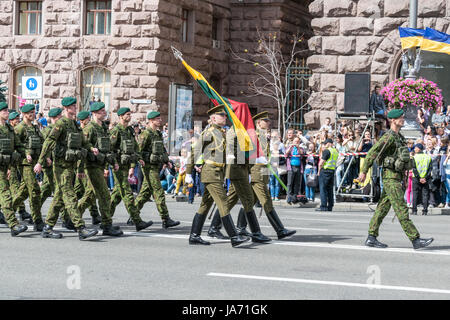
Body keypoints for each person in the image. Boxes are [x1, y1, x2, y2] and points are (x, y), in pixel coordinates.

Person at [358, 108, 434, 249]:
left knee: (382, 209)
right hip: (390, 178)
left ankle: (371, 237)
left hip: (396, 177)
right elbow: (372, 153)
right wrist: (363, 172)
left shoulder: (399, 137)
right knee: (401, 208)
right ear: (393, 120)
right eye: (401, 118)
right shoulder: (388, 137)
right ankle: (415, 239)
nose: (403, 119)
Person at [34, 97, 99, 240]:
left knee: (59, 197)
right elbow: (49, 142)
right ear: (66, 108)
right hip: (61, 167)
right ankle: (81, 228)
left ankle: (47, 227)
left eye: (76, 106)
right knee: (70, 195)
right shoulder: (61, 124)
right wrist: (40, 161)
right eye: (73, 106)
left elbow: (83, 140)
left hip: (70, 166)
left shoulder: (74, 124)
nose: (76, 108)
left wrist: (90, 148)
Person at [185, 104, 250, 247]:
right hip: (210, 172)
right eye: (222, 115)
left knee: (205, 205)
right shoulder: (208, 133)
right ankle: (234, 237)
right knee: (223, 203)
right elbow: (195, 152)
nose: (225, 117)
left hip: (218, 173)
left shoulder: (222, 133)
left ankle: (194, 236)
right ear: (213, 118)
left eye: (225, 115)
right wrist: (188, 172)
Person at [236, 111, 296, 239]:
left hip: (263, 171)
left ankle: (241, 227)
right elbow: (246, 154)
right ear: (258, 123)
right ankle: (280, 230)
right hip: (256, 171)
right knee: (266, 200)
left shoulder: (264, 136)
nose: (268, 122)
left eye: (268, 120)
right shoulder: (254, 135)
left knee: (251, 201)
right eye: (265, 120)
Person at [76, 102, 123, 236]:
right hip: (91, 166)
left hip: (100, 165)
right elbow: (83, 149)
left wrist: (113, 163)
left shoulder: (103, 127)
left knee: (91, 196)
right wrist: (80, 170)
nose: (104, 112)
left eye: (104, 110)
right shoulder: (89, 128)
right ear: (95, 113)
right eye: (102, 111)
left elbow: (107, 148)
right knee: (104, 195)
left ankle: (72, 217)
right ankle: (107, 225)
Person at [109, 107, 153, 232]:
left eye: (130, 114)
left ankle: (105, 218)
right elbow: (110, 150)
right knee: (128, 194)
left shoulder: (129, 130)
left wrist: (137, 160)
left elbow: (134, 148)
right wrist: (114, 164)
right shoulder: (115, 131)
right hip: (118, 167)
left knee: (117, 195)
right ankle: (138, 221)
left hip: (126, 165)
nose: (130, 116)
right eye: (127, 114)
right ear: (121, 116)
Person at [134, 110, 180, 229]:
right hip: (149, 167)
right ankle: (166, 219)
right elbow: (138, 150)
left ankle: (133, 215)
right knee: (158, 192)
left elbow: (162, 150)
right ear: (151, 120)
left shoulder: (158, 134)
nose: (160, 120)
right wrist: (141, 160)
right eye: (157, 119)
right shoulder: (145, 134)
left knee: (145, 193)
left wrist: (167, 161)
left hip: (156, 165)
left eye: (160, 118)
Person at [12, 104, 45, 231]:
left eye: (34, 112)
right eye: (30, 113)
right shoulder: (20, 128)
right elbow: (15, 146)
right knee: (35, 190)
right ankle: (37, 221)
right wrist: (25, 153)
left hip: (35, 162)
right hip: (25, 164)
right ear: (24, 114)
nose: (33, 114)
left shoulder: (35, 128)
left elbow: (41, 143)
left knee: (23, 192)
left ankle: (7, 211)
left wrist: (44, 158)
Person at [0, 102, 28, 236]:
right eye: (4, 110)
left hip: (5, 166)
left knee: (5, 195)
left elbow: (18, 145)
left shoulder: (9, 129)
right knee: (5, 195)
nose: (7, 112)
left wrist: (26, 155)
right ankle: (13, 224)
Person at [73, 111, 102, 226]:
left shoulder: (85, 130)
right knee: (89, 191)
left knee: (82, 190)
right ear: (82, 121)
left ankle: (94, 214)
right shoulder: (84, 131)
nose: (89, 120)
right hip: (83, 166)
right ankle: (70, 213)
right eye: (87, 119)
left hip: (85, 166)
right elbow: (82, 152)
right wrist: (80, 169)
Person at [316, 138, 338, 212]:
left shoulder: (327, 151)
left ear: (329, 143)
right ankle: (330, 206)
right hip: (332, 171)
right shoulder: (335, 151)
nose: (324, 145)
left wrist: (319, 171)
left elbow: (321, 163)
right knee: (330, 189)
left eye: (325, 144)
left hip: (325, 171)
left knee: (323, 189)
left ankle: (323, 206)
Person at [411, 143, 432, 216]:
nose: (414, 149)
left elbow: (414, 169)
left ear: (419, 149)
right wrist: (425, 178)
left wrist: (419, 178)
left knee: (415, 193)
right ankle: (425, 211)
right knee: (425, 194)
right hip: (426, 178)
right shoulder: (428, 157)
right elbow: (430, 169)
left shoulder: (415, 157)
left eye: (415, 148)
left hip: (416, 178)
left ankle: (414, 210)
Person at [285, 137, 303, 204]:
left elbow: (301, 153)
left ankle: (295, 198)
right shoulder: (290, 148)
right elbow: (286, 153)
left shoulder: (300, 148)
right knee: (290, 183)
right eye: (295, 141)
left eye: (298, 141)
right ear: (293, 141)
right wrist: (290, 147)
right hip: (291, 167)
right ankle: (289, 197)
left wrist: (298, 147)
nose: (296, 143)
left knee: (297, 183)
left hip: (298, 167)